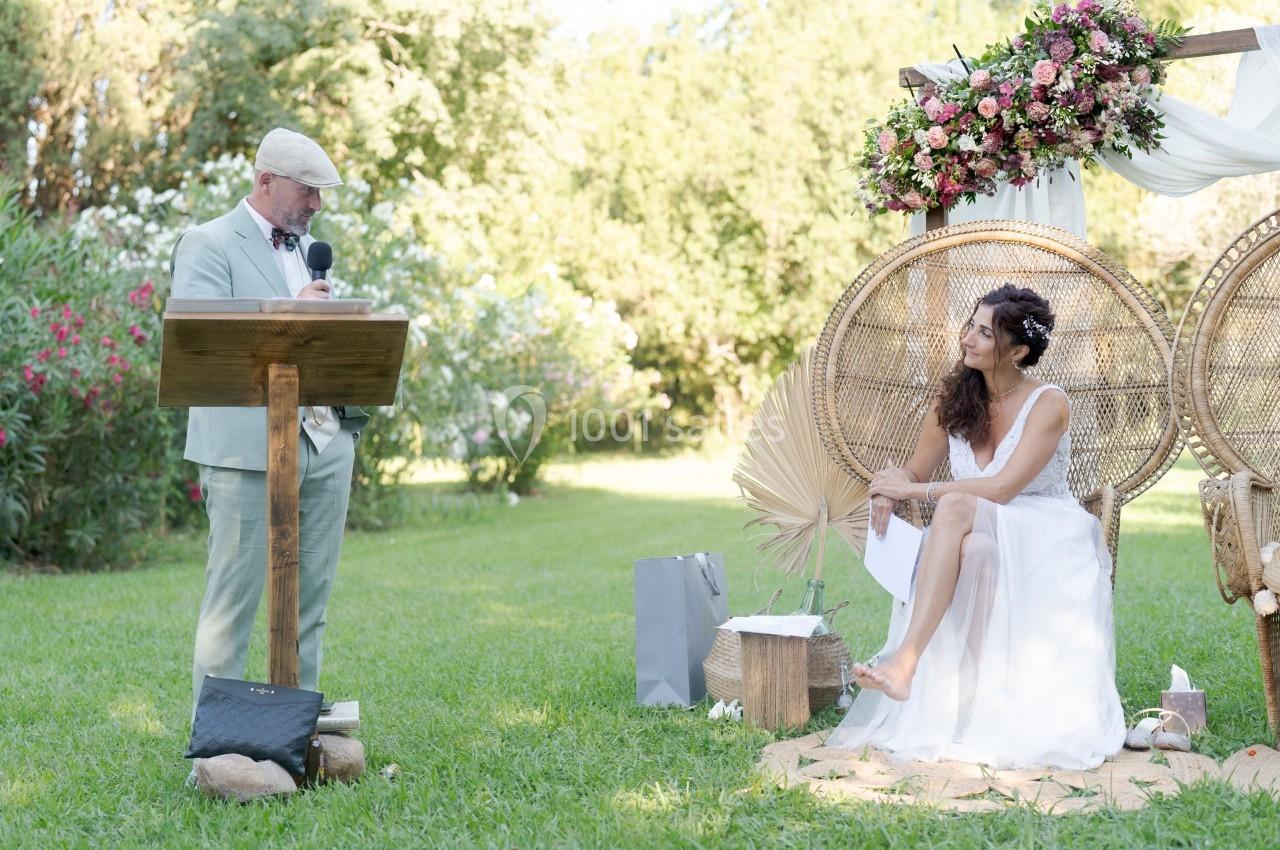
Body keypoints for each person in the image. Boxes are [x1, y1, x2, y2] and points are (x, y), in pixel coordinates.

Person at [826, 283, 1125, 770]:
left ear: (1018, 351)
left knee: (956, 508)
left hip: (1043, 529)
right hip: (975, 532)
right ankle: (975, 705)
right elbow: (915, 473)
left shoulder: (1049, 403)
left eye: (984, 333)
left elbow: (1004, 488)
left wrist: (916, 494)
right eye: (970, 325)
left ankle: (905, 659)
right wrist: (890, 485)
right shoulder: (955, 399)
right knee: (978, 550)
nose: (967, 339)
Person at [170, 127, 369, 715]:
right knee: (232, 603)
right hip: (246, 451)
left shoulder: (307, 250)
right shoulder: (207, 244)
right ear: (265, 181)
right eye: (308, 191)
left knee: (311, 601)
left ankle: (294, 726)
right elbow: (203, 342)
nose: (317, 205)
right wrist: (290, 312)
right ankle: (217, 742)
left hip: (326, 442)